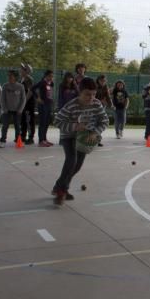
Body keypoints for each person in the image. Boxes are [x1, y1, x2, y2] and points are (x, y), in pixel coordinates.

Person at [51, 77, 107, 205]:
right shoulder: (71, 105)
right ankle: (61, 192)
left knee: (77, 165)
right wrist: (74, 127)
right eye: (87, 94)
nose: (91, 97)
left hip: (85, 137)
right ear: (80, 92)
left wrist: (95, 132)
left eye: (94, 94)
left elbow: (104, 121)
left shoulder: (96, 104)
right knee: (71, 160)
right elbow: (57, 121)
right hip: (69, 136)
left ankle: (60, 187)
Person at [0, 70, 27, 148]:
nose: (9, 77)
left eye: (11, 76)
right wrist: (4, 108)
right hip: (7, 110)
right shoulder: (5, 86)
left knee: (17, 126)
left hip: (17, 110)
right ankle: (3, 141)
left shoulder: (20, 86)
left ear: (15, 77)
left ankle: (18, 141)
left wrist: (20, 109)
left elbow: (23, 99)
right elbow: (2, 98)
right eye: (8, 76)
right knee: (5, 126)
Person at [34, 70, 55, 147]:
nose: (51, 78)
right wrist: (37, 98)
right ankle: (41, 141)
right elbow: (33, 89)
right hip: (42, 105)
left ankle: (45, 139)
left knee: (47, 122)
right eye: (49, 76)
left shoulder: (51, 83)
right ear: (46, 76)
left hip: (49, 104)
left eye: (52, 76)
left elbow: (50, 92)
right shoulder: (42, 82)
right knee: (42, 123)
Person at [19, 63, 37, 144]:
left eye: (22, 69)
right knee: (23, 120)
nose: (20, 70)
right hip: (23, 103)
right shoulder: (22, 79)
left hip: (28, 103)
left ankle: (30, 137)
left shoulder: (28, 79)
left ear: (27, 71)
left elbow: (30, 91)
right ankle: (23, 135)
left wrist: (24, 101)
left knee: (29, 120)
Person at [95, 74, 112, 146]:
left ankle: (98, 140)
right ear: (98, 80)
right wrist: (99, 101)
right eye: (101, 81)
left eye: (104, 81)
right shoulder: (94, 86)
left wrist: (111, 105)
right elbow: (92, 96)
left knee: (101, 123)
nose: (103, 82)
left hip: (102, 107)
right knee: (94, 123)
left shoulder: (105, 87)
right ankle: (93, 138)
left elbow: (108, 96)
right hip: (94, 107)